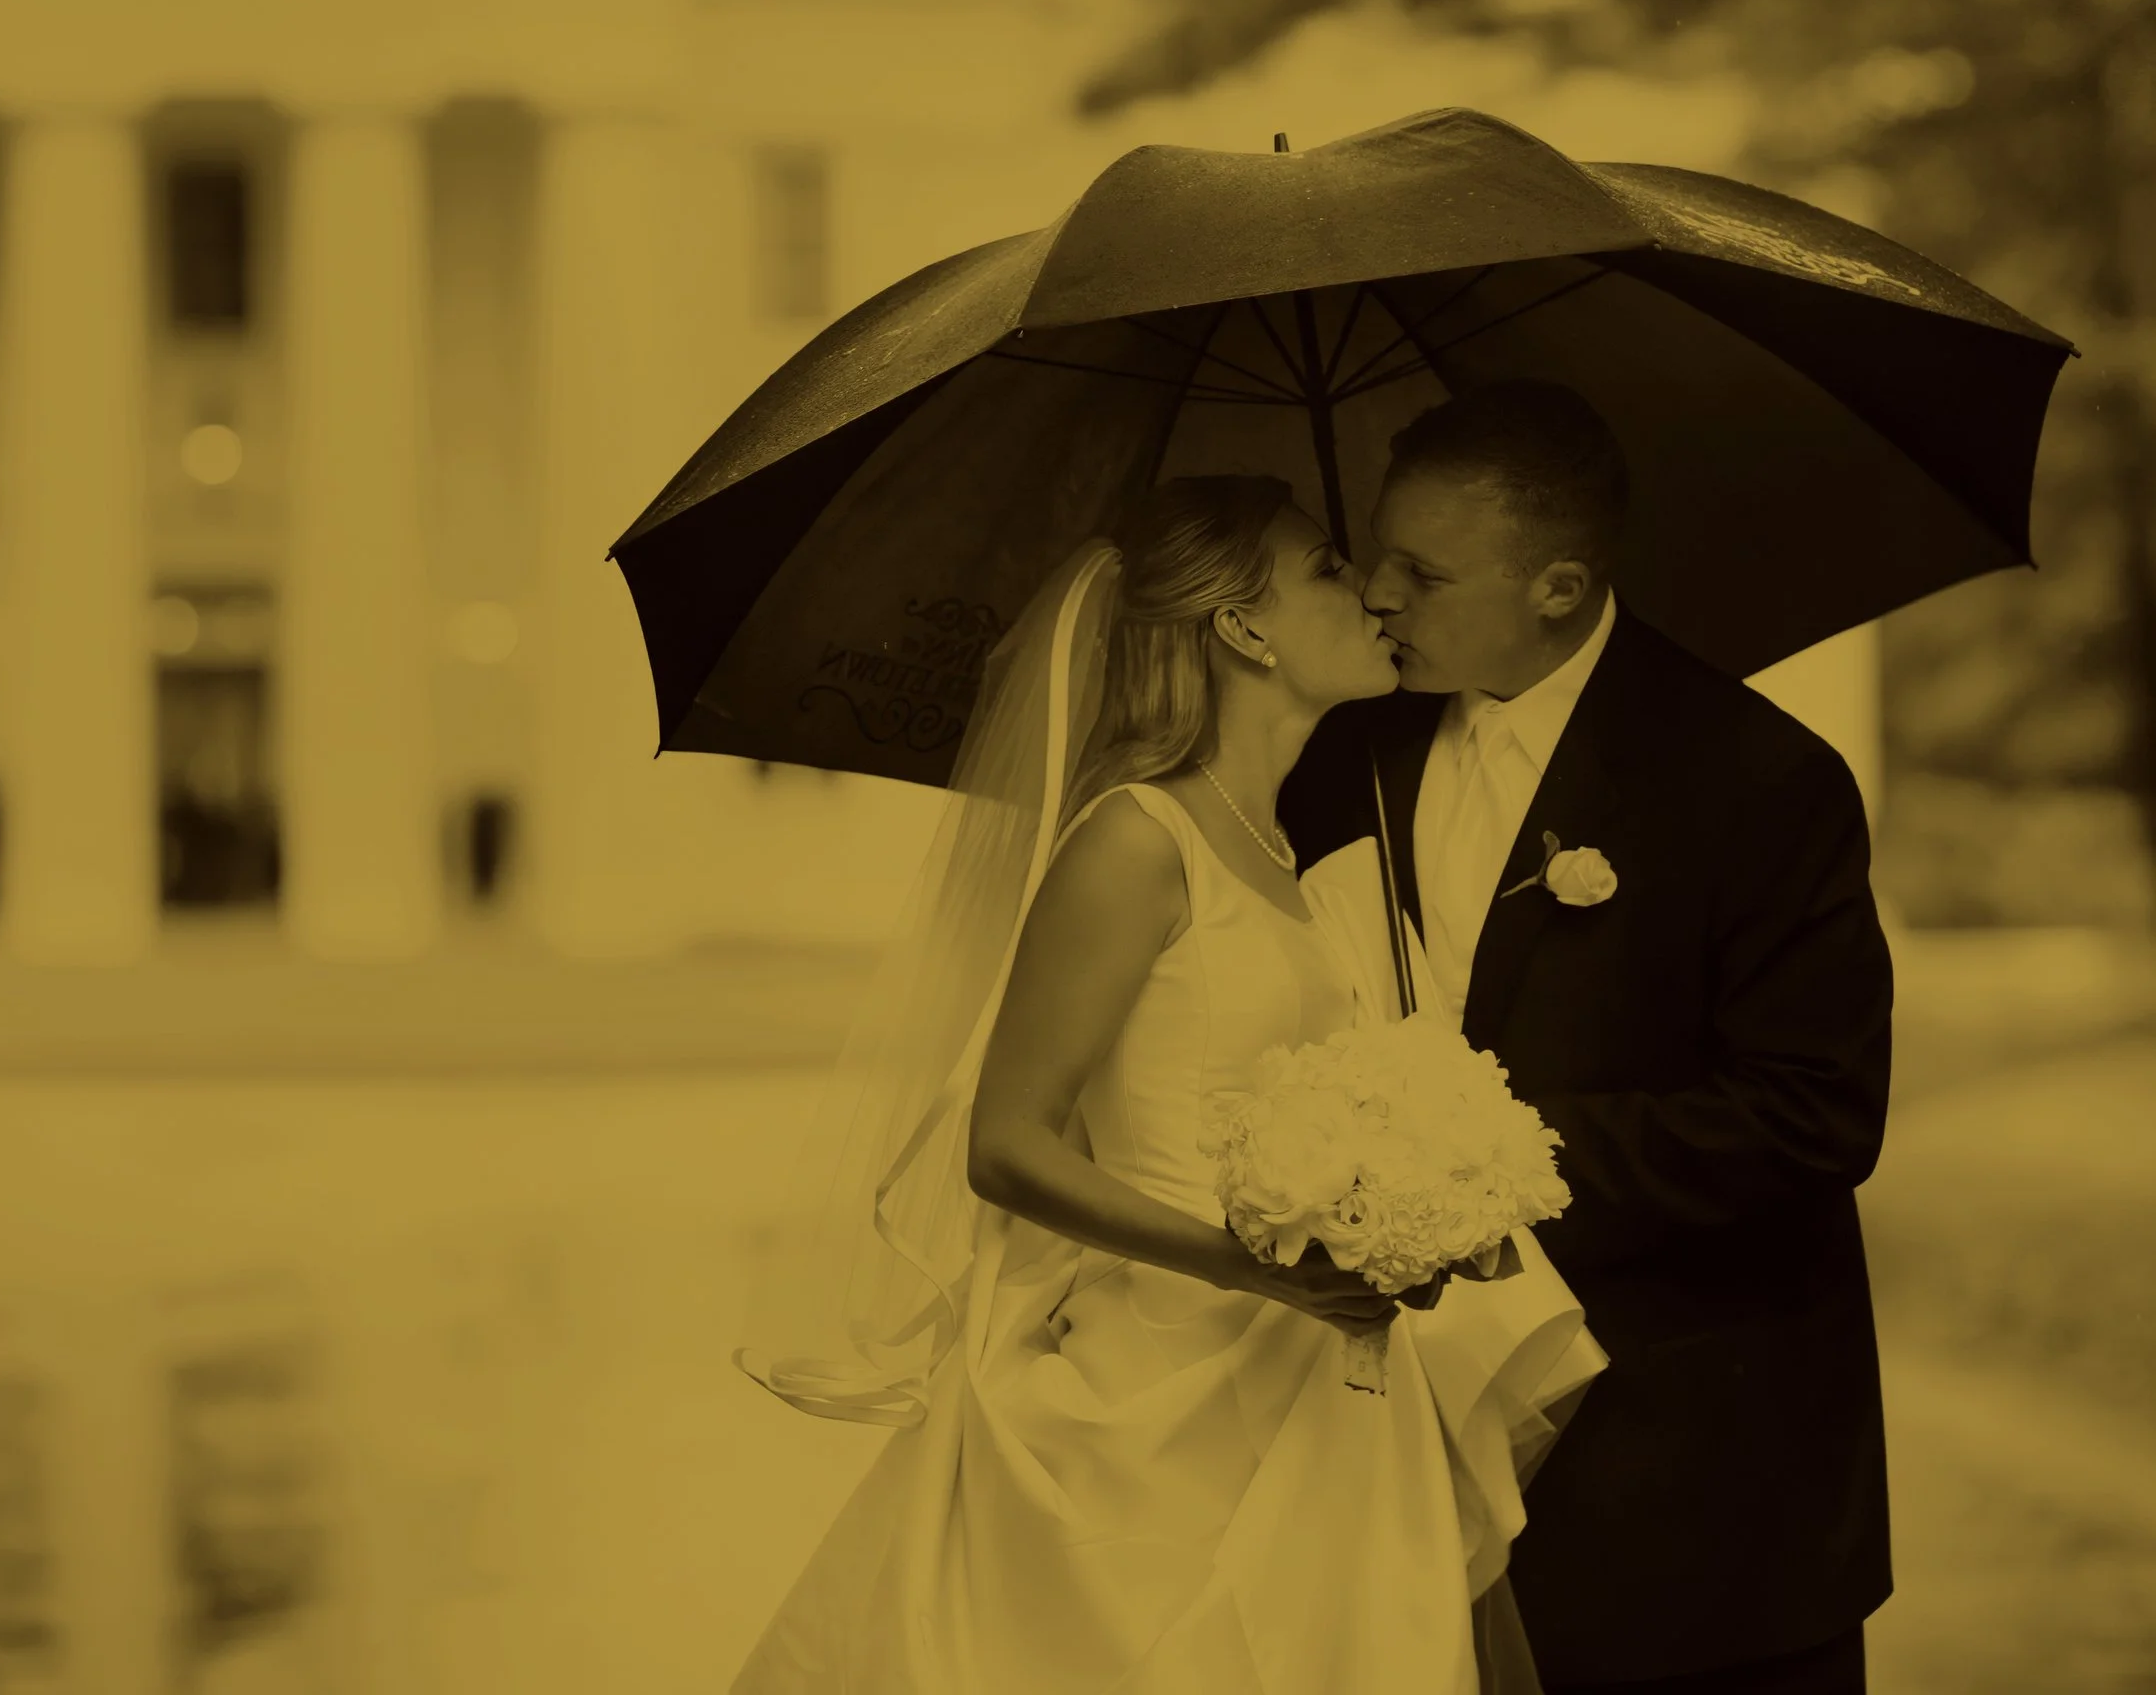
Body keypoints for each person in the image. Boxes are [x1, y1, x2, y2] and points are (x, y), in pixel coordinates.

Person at [732, 474, 1604, 1693]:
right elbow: (1008, 1141)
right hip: (1153, 1375)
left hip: (1306, 1360)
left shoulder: (1288, 851)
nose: (1365, 591)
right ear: (1242, 629)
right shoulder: (1134, 839)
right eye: (1324, 569)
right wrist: (1255, 1265)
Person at [1279, 380, 1893, 1695]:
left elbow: (1814, 1115)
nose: (1378, 595)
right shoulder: (1343, 753)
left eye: (1421, 572)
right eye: (1376, 553)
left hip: (1694, 1476)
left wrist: (1478, 1162)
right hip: (1393, 1450)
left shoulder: (1756, 779)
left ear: (1557, 587)